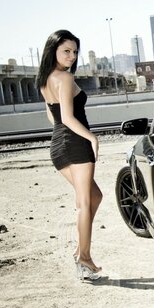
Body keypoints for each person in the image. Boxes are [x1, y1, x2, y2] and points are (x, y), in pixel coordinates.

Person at [37, 30, 103, 281]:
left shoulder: (44, 79)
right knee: (84, 203)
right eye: (66, 50)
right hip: (75, 144)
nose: (72, 56)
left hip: (58, 146)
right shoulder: (64, 78)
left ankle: (79, 249)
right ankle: (84, 259)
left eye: (75, 51)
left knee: (94, 196)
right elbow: (66, 117)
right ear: (52, 50)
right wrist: (91, 137)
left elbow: (51, 117)